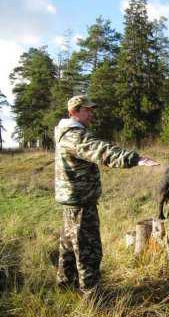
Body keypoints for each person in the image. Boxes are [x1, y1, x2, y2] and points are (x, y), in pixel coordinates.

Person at [54, 95, 159, 298]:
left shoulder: (67, 133)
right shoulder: (74, 136)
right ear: (74, 112)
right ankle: (92, 298)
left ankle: (66, 288)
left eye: (91, 109)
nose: (91, 114)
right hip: (81, 203)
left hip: (73, 202)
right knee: (89, 252)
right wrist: (134, 159)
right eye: (87, 110)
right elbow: (101, 150)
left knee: (68, 248)